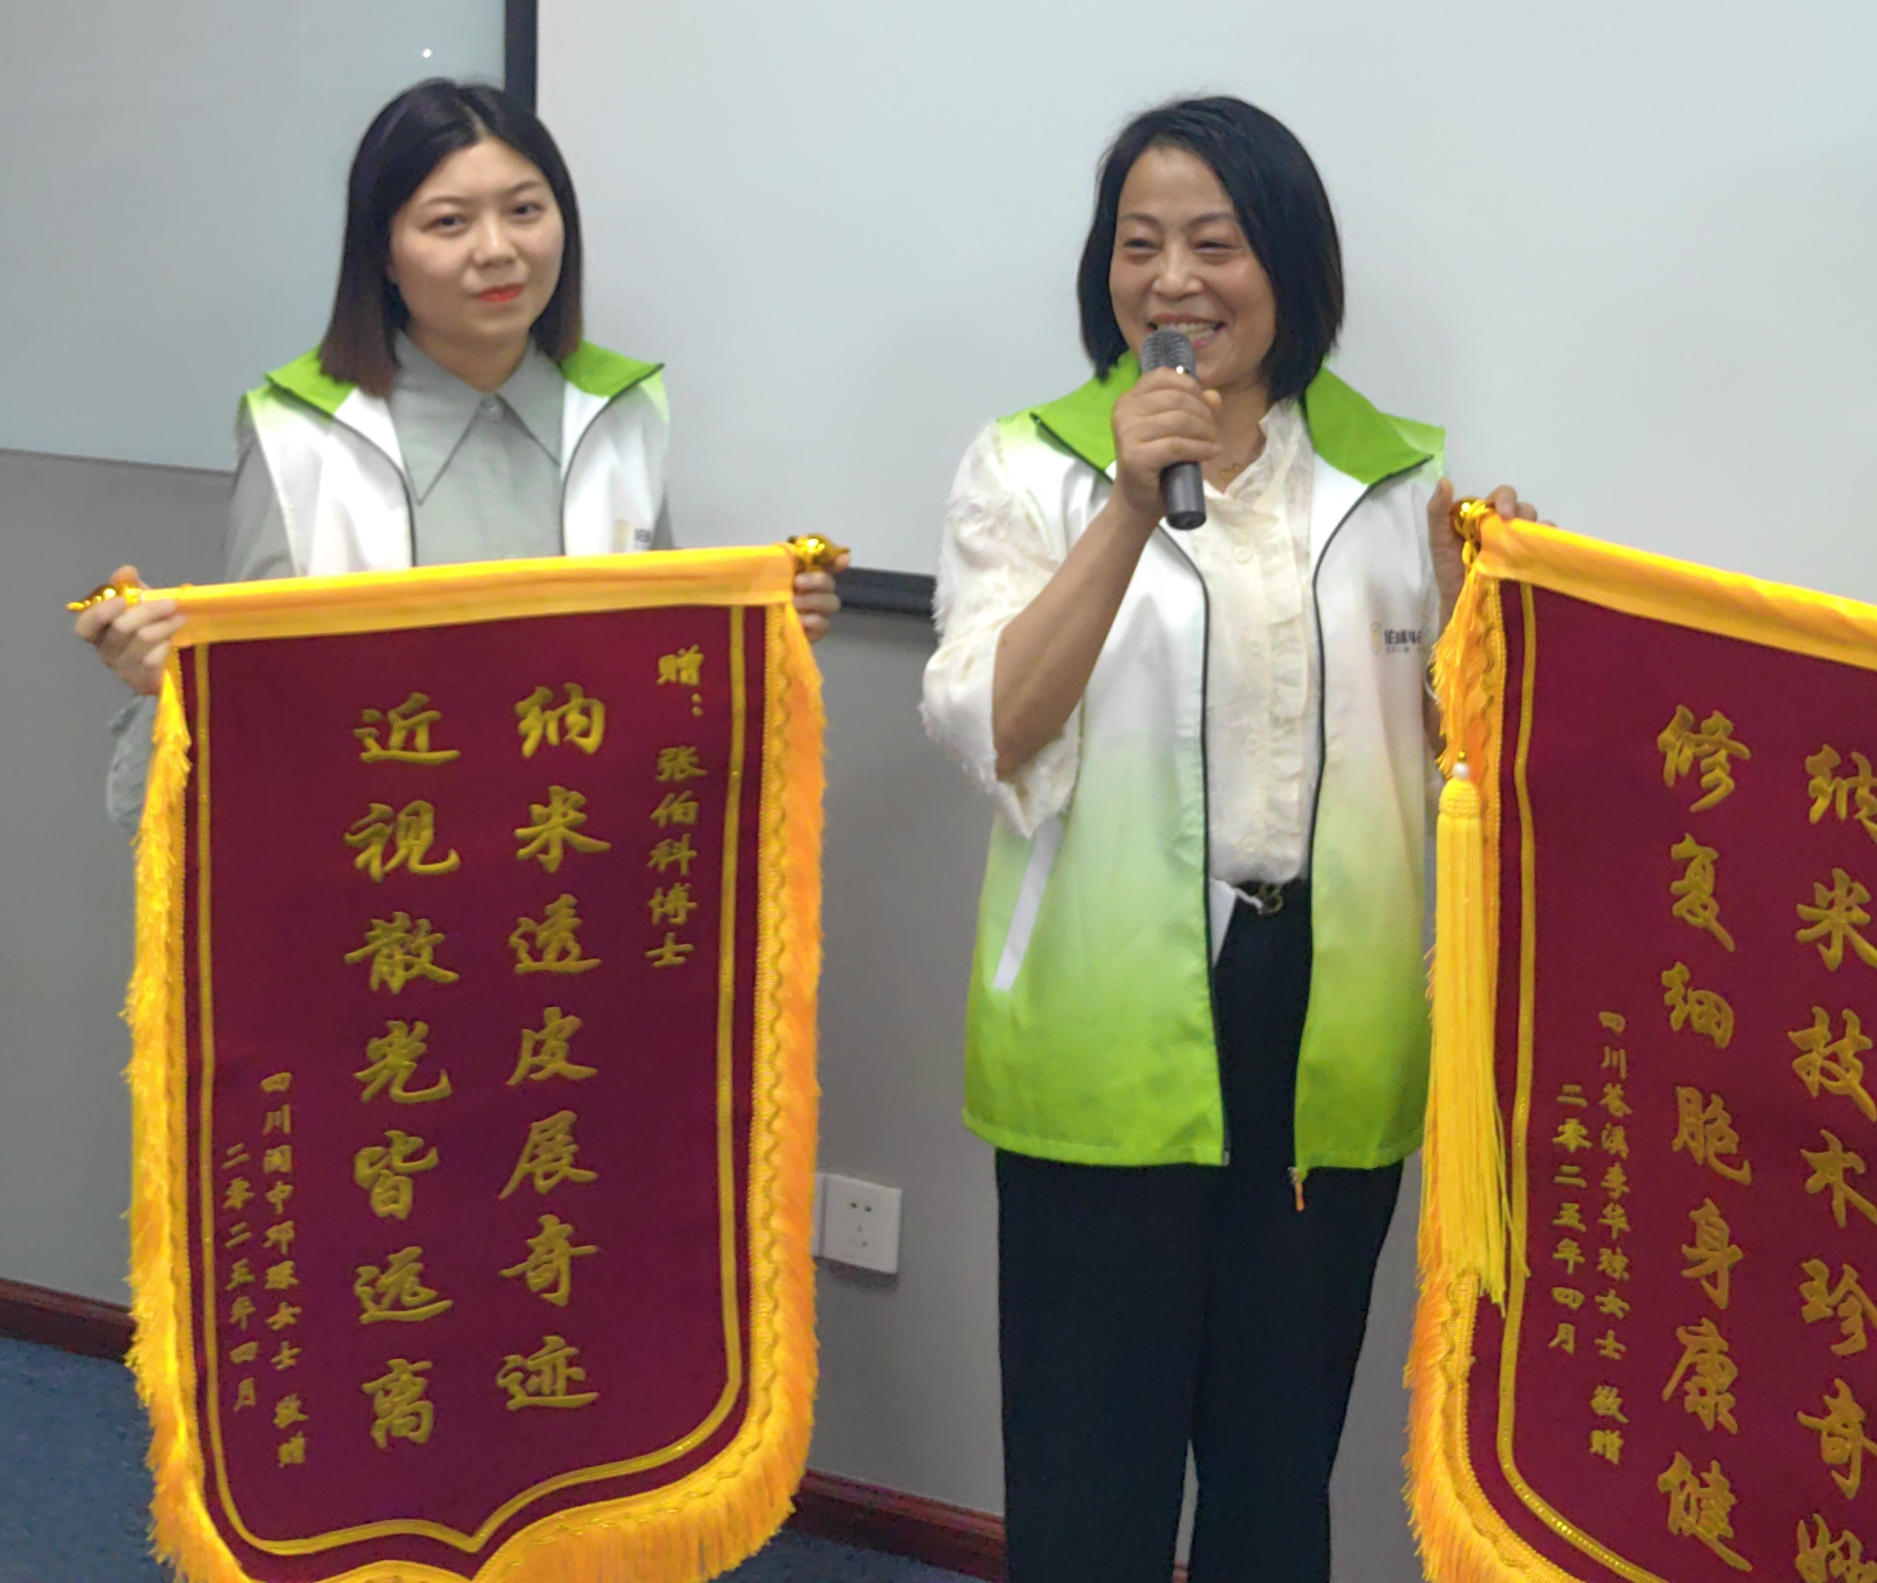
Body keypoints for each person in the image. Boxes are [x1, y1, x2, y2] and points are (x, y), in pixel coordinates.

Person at [921, 93, 1518, 1583]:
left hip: (1326, 1017)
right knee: (1089, 1467)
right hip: (1109, 1015)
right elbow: (990, 725)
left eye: (1215, 243)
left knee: (1274, 1465)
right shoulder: (1028, 467)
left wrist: (1491, 624)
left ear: (1291, 266)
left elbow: (1460, 762)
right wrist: (1128, 506)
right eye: (1139, 246)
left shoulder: (1397, 485)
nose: (1173, 282)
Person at [79, 79, 837, 825]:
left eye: (525, 211)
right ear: (383, 253)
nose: (498, 251)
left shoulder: (619, 409)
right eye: (449, 222)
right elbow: (260, 698)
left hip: (570, 839)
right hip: (388, 846)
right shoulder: (300, 431)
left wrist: (764, 630)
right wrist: (163, 677)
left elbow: (650, 661)